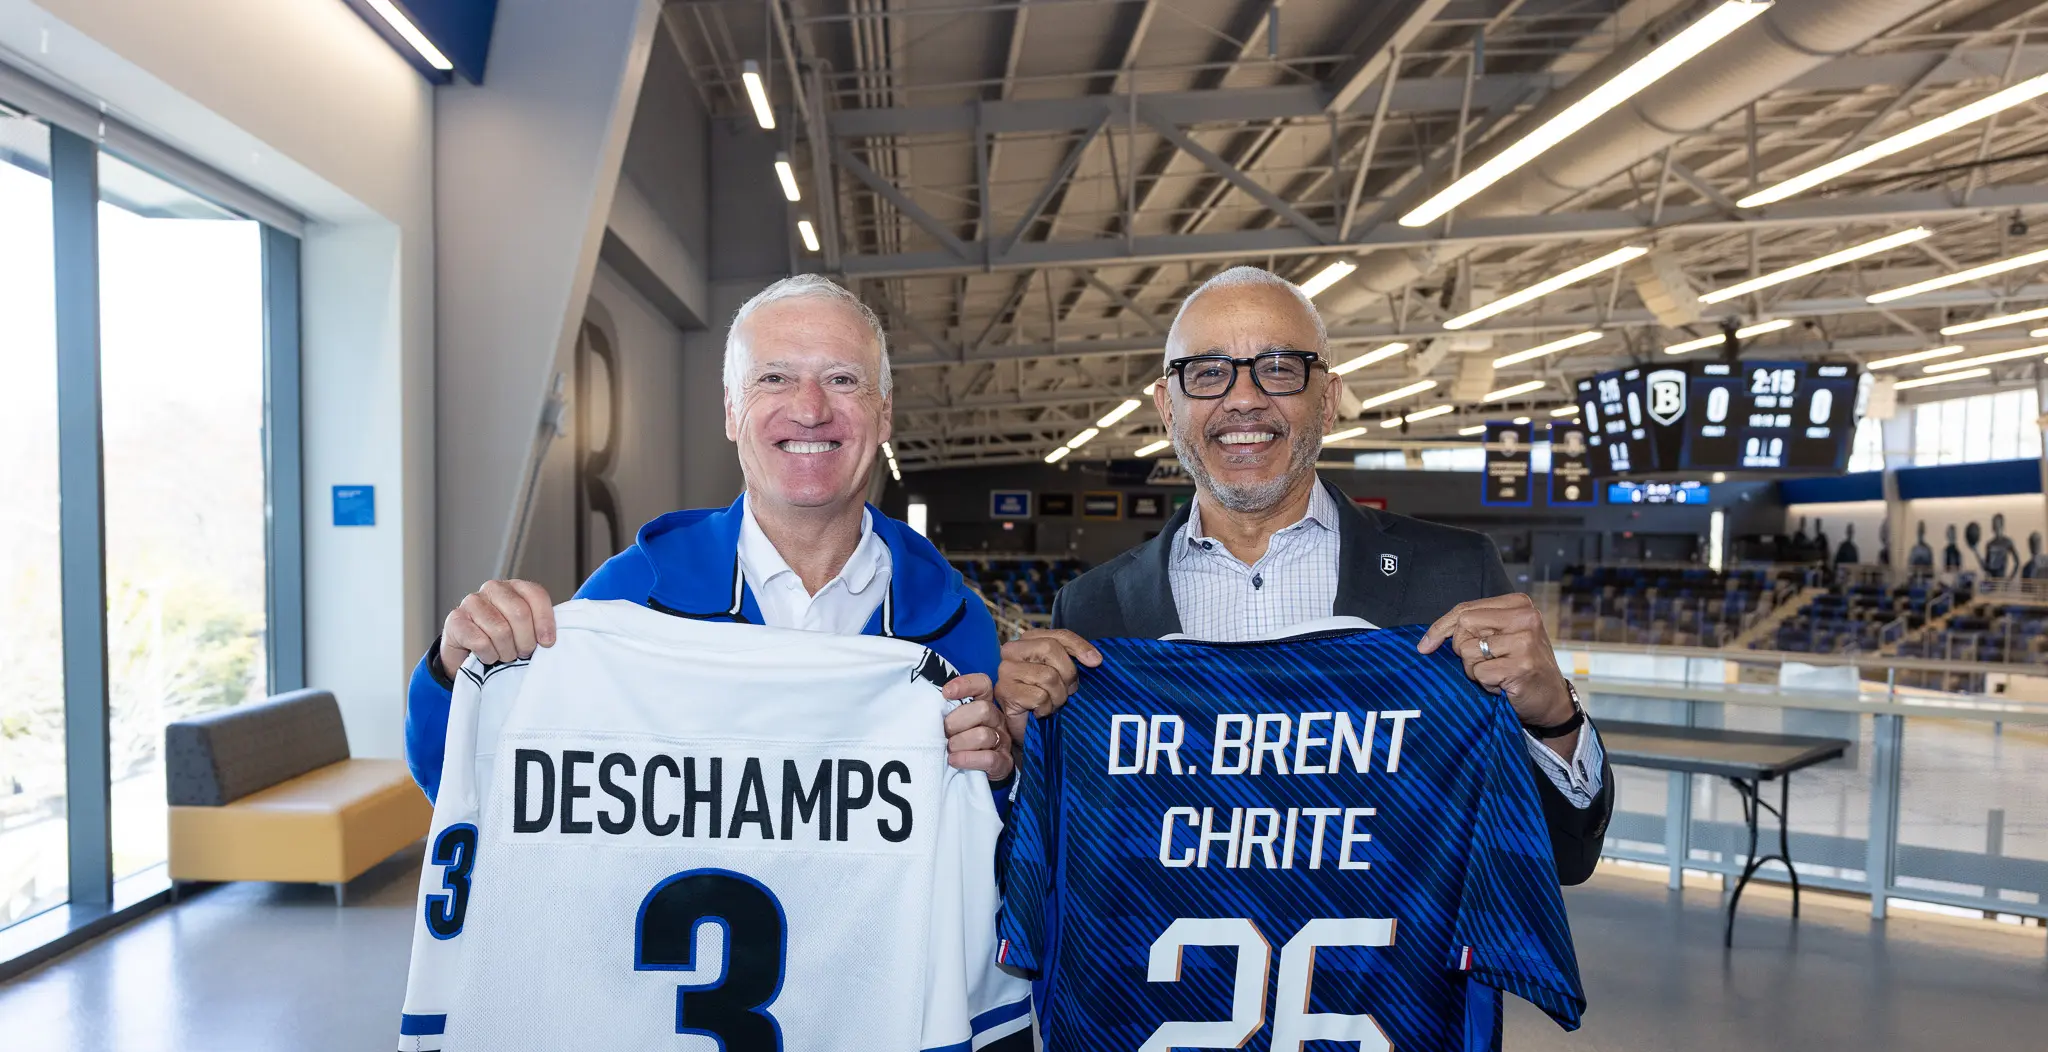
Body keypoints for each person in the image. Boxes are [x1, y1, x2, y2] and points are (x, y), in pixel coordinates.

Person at [994, 265, 1611, 883]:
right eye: (1207, 372)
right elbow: (1076, 860)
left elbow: (1561, 859)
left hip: (1388, 979)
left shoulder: (1454, 573)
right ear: (1166, 405)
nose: (1242, 399)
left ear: (1330, 398)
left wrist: (1552, 716)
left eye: (1281, 367)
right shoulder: (1093, 608)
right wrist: (1026, 756)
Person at [403, 275, 1011, 798]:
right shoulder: (631, 595)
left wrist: (1003, 773)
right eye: (773, 377)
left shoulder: (957, 624)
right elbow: (474, 786)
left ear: (884, 414)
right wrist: (457, 675)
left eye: (843, 380)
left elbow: (1004, 855)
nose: (809, 408)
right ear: (730, 411)